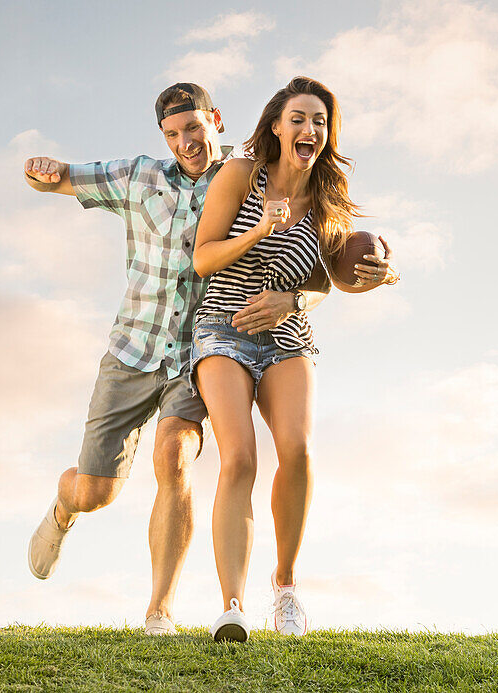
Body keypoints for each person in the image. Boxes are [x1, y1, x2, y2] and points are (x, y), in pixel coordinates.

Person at [21, 83, 336, 636]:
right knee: (97, 490)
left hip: (199, 344)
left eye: (194, 128)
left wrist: (307, 290)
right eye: (173, 134)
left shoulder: (243, 175)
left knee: (174, 456)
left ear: (215, 120)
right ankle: (64, 508)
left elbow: (312, 260)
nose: (186, 142)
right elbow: (61, 177)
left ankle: (159, 611)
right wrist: (41, 169)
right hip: (133, 349)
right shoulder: (140, 176)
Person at [191, 76, 399, 641]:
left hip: (288, 338)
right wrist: (261, 226)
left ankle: (284, 590)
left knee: (299, 452)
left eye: (320, 121)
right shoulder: (241, 175)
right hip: (225, 328)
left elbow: (333, 279)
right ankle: (231, 606)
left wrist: (381, 273)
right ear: (278, 126)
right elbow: (204, 258)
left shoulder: (328, 196)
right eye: (300, 118)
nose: (310, 129)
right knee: (239, 458)